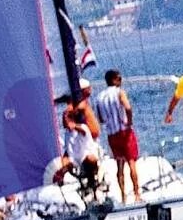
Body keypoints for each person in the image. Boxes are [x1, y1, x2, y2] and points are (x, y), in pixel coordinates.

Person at [91, 68, 140, 201]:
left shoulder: (99, 98)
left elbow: (100, 119)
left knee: (119, 165)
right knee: (131, 163)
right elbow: (128, 108)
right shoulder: (119, 92)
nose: (121, 81)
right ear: (114, 80)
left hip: (111, 134)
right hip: (124, 131)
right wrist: (129, 121)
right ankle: (136, 194)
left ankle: (123, 196)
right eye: (119, 78)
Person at [58, 89, 105, 197]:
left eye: (66, 118)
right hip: (74, 158)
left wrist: (74, 125)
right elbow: (68, 150)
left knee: (90, 160)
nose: (64, 121)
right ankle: (61, 193)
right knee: (59, 167)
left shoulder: (82, 128)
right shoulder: (67, 133)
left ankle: (93, 182)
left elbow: (83, 130)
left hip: (85, 156)